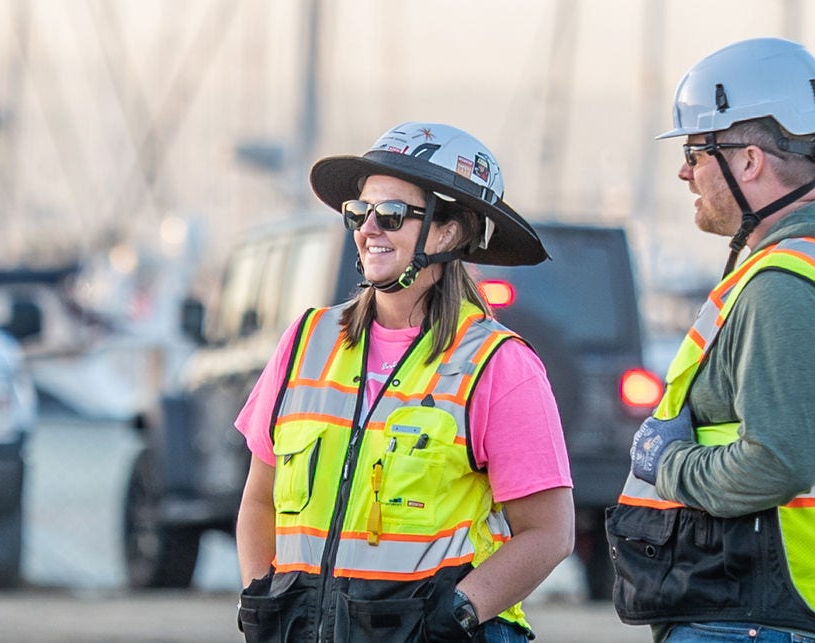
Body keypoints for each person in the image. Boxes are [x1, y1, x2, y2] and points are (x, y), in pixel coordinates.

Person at [608, 38, 815, 643]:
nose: (684, 170)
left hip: (760, 615)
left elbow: (779, 461)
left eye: (697, 149)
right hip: (799, 608)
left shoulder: (786, 286)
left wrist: (665, 462)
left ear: (749, 161)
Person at [232, 122, 575, 642]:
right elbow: (259, 499)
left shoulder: (498, 364)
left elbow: (549, 533)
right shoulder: (306, 341)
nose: (368, 228)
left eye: (391, 214)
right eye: (358, 213)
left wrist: (458, 613)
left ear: (447, 232)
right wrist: (260, 596)